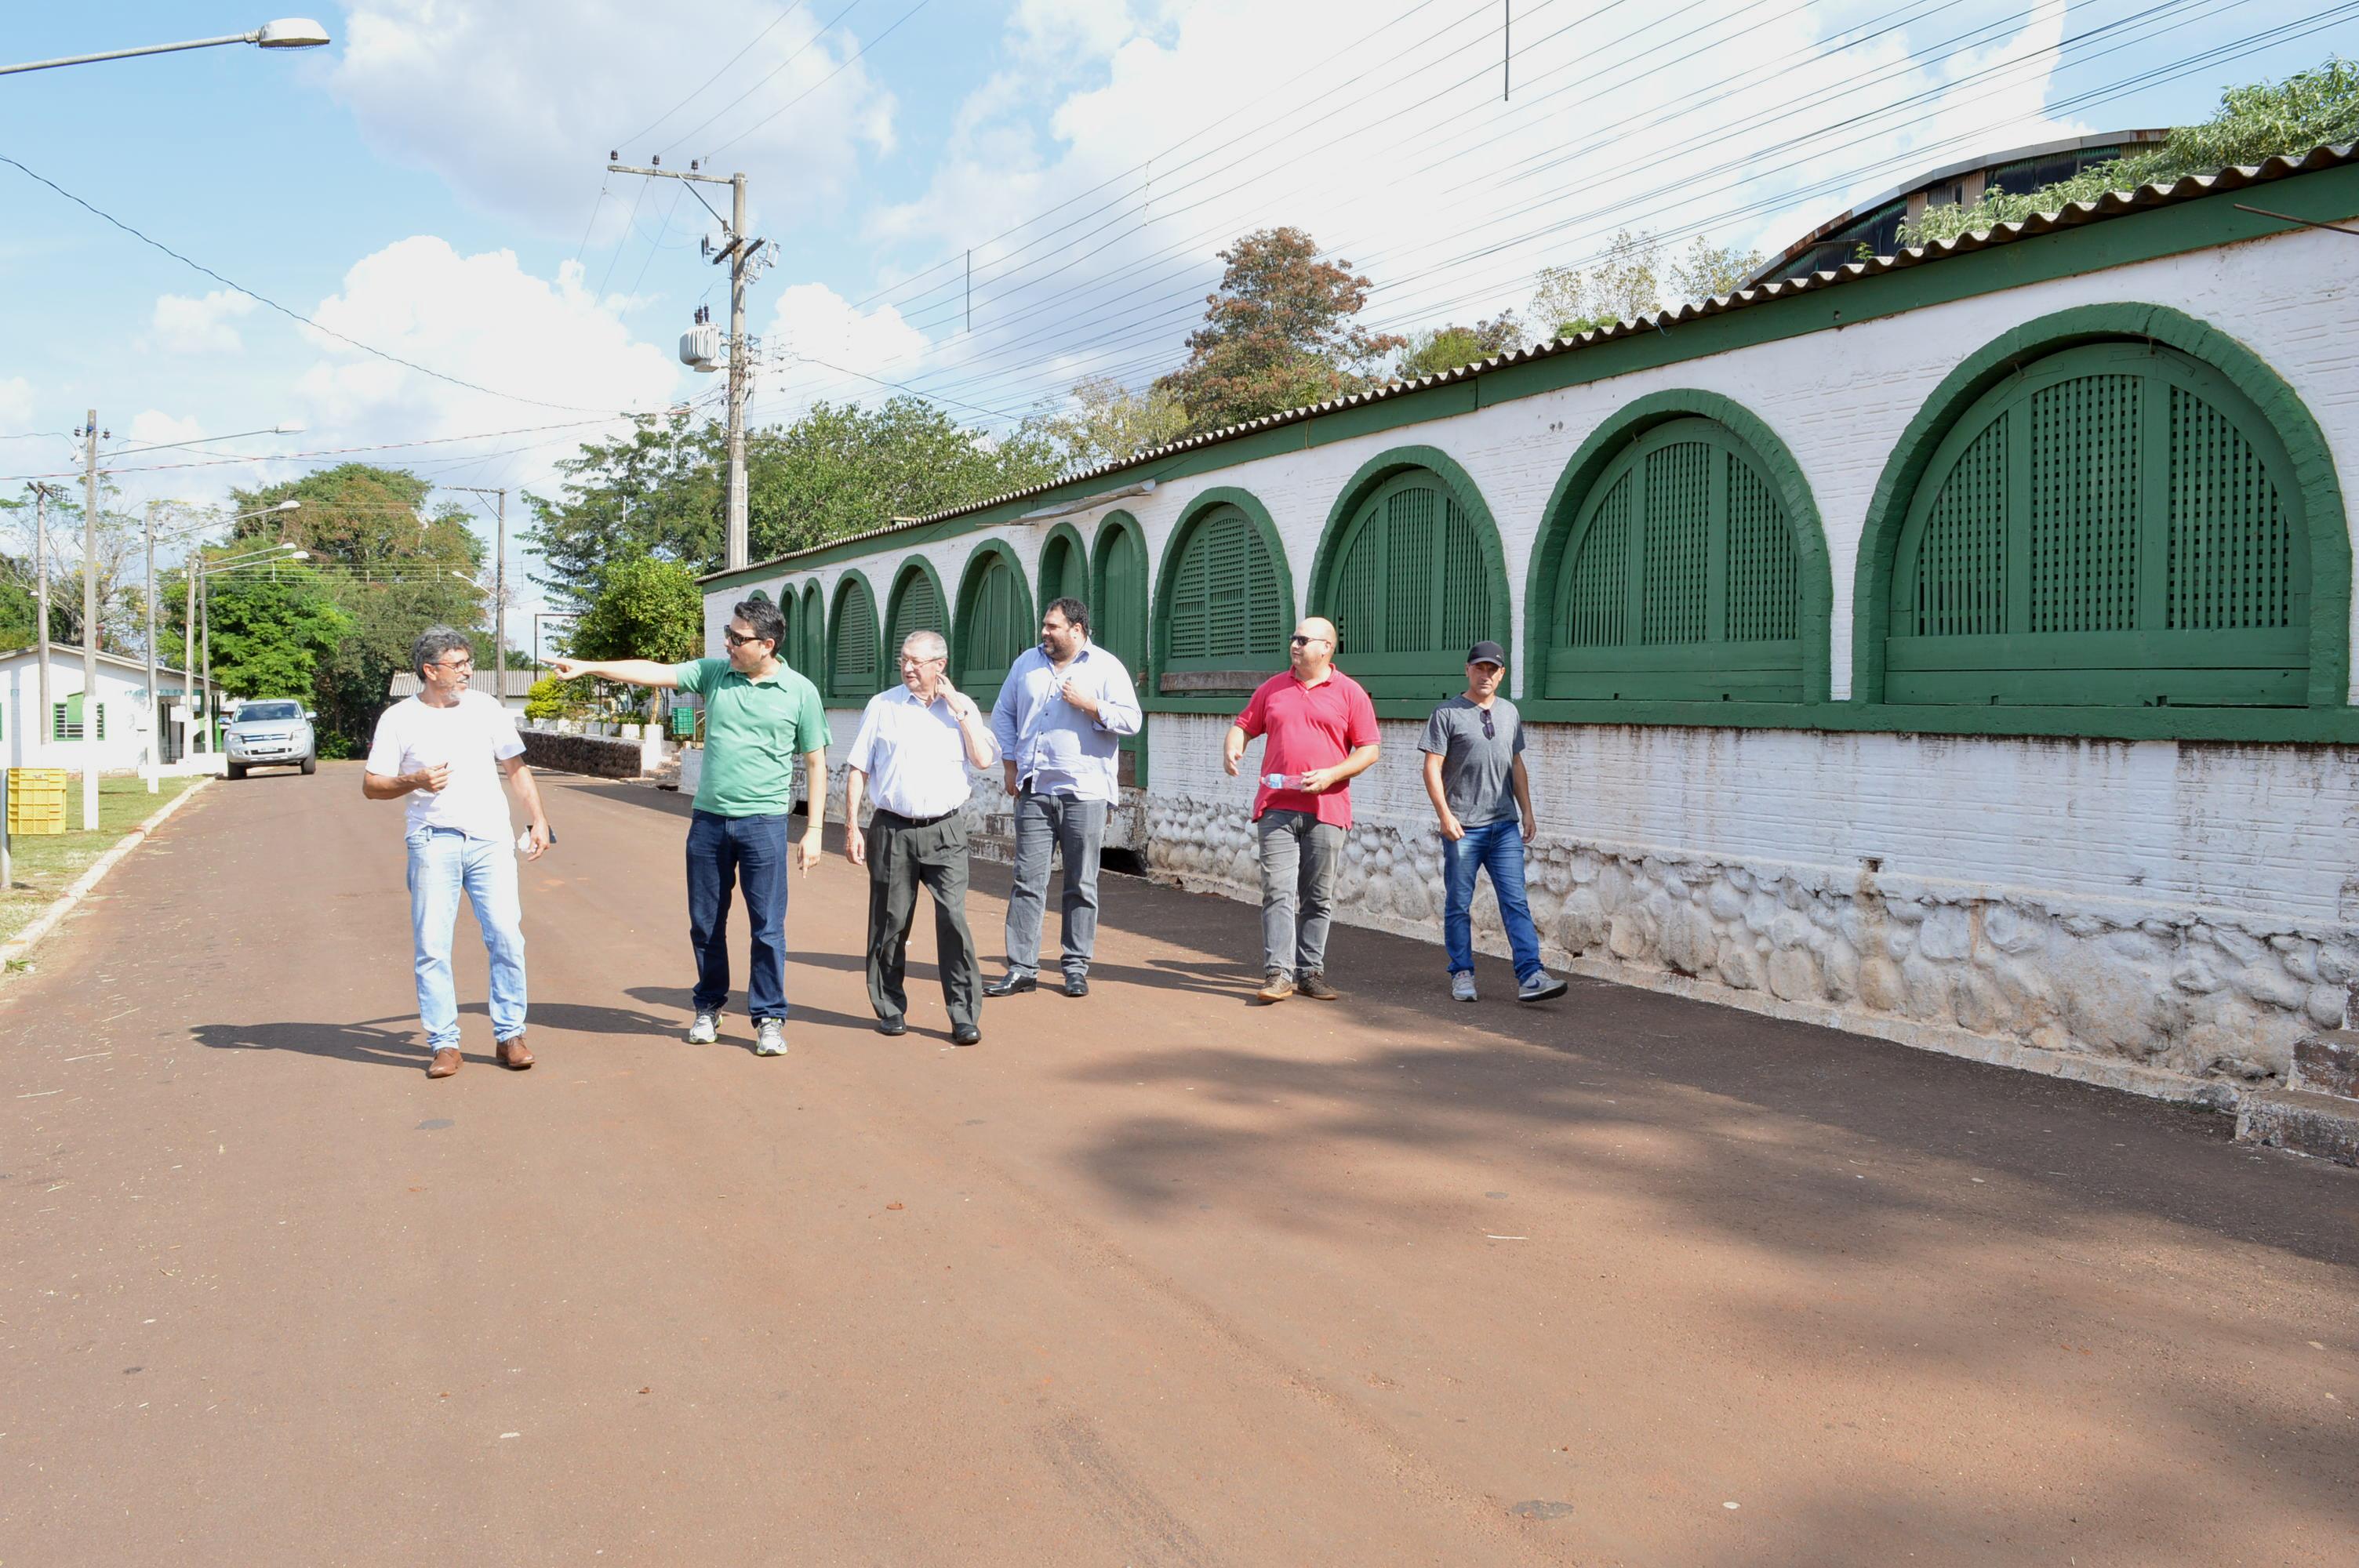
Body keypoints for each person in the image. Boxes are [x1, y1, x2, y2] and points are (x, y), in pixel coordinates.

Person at [548, 596, 827, 1058]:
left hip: (764, 824)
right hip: (709, 823)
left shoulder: (800, 692)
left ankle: (769, 1017)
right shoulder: (715, 674)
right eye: (729, 634)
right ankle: (708, 1006)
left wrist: (814, 829)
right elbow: (652, 670)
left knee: (768, 928)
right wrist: (589, 666)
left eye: (739, 639)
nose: (729, 644)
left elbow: (816, 763)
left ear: (768, 644)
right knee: (705, 924)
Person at [363, 626, 553, 1079]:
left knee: (507, 935)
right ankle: (444, 1044)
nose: (469, 671)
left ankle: (511, 1034)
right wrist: (415, 781)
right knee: (432, 945)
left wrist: (539, 819)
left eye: (469, 662)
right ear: (431, 671)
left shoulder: (486, 708)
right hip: (432, 841)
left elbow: (515, 767)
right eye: (460, 664)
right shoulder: (398, 719)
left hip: (489, 840)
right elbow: (372, 786)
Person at [844, 630, 998, 1045]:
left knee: (954, 919)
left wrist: (958, 709)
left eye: (917, 661)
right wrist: (852, 826)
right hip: (892, 828)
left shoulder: (962, 708)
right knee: (890, 921)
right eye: (904, 660)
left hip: (945, 828)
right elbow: (858, 768)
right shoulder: (883, 706)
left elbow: (984, 760)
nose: (908, 668)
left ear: (939, 666)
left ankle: (963, 1014)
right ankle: (890, 1008)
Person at [984, 596, 1142, 1000]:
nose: (1045, 633)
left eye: (1053, 627)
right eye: (1045, 626)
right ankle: (1021, 968)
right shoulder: (1027, 664)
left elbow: (1133, 720)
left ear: (1077, 629)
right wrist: (1008, 763)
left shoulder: (1106, 667)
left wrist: (1093, 706)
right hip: (1035, 790)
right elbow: (1003, 712)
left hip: (1084, 793)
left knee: (1081, 884)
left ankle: (1075, 967)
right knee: (1026, 881)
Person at [1222, 616, 1379, 1004]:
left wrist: (1332, 775)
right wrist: (1233, 743)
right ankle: (1278, 973)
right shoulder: (1273, 689)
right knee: (1277, 891)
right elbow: (1244, 724)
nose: (1295, 645)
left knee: (1317, 896)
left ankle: (1311, 973)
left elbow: (1370, 750)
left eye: (1303, 640)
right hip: (1276, 808)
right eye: (1294, 638)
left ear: (1326, 647)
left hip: (1328, 809)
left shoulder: (1350, 693)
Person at [1419, 641, 1569, 1004]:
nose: (1485, 675)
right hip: (1463, 827)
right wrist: (1445, 815)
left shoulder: (1509, 713)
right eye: (1479, 668)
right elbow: (1432, 768)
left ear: (1501, 675)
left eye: (1492, 669)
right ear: (1467, 670)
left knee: (1516, 901)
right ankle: (1462, 973)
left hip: (1504, 825)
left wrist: (1528, 811)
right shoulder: (1447, 714)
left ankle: (1531, 975)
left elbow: (1516, 764)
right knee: (1459, 902)